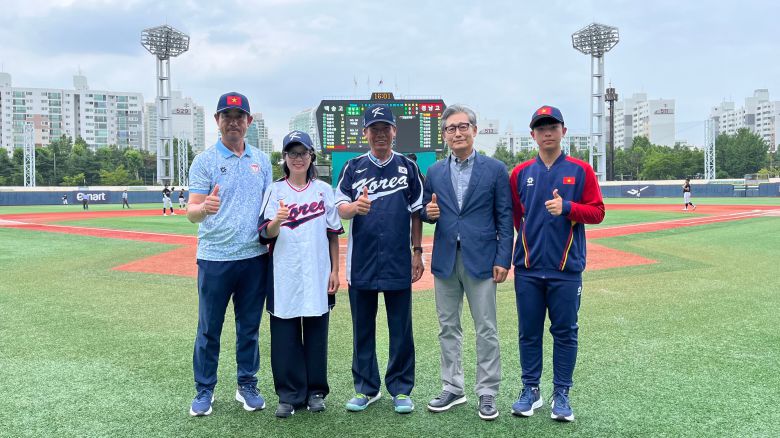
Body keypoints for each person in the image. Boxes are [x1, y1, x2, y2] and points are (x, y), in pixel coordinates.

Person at [509, 106, 605, 422]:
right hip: (528, 269)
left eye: (552, 127)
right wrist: (531, 243)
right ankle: (530, 390)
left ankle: (561, 393)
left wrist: (568, 208)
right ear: (533, 134)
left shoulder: (581, 170)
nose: (547, 132)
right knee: (529, 333)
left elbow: (598, 212)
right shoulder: (520, 173)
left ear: (563, 131)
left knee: (565, 333)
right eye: (541, 128)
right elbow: (515, 216)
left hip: (566, 270)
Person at [420, 104, 513, 421]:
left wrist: (503, 258)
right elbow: (425, 210)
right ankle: (453, 387)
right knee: (448, 327)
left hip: (483, 259)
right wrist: (428, 213)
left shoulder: (495, 169)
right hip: (446, 258)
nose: (457, 133)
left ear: (474, 130)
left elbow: (505, 217)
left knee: (486, 328)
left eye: (463, 127)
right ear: (444, 134)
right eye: (451, 128)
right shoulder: (434, 172)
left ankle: (487, 391)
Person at [185, 92, 273, 417]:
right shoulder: (204, 161)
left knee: (249, 328)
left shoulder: (261, 160)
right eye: (227, 116)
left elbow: (268, 208)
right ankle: (204, 389)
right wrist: (203, 208)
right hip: (215, 258)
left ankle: (246, 384)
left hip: (254, 258)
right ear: (217, 121)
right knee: (209, 328)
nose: (233, 122)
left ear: (248, 121)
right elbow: (191, 212)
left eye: (239, 117)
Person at [335, 103, 425, 414]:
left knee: (401, 329)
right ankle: (366, 388)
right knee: (363, 327)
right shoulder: (353, 167)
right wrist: (354, 208)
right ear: (365, 133)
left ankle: (401, 388)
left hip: (398, 260)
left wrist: (417, 252)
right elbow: (340, 207)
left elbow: (417, 212)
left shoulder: (408, 167)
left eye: (385, 128)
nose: (380, 134)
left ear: (394, 131)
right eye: (374, 129)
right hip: (361, 261)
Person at [259, 130, 343, 418]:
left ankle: (316, 391)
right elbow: (264, 234)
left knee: (317, 334)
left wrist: (335, 270)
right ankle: (289, 394)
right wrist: (277, 221)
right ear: (284, 157)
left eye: (303, 153)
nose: (298, 158)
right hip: (284, 272)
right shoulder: (275, 190)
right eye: (292, 153)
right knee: (285, 336)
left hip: (318, 271)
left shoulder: (324, 190)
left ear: (311, 156)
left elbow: (333, 234)